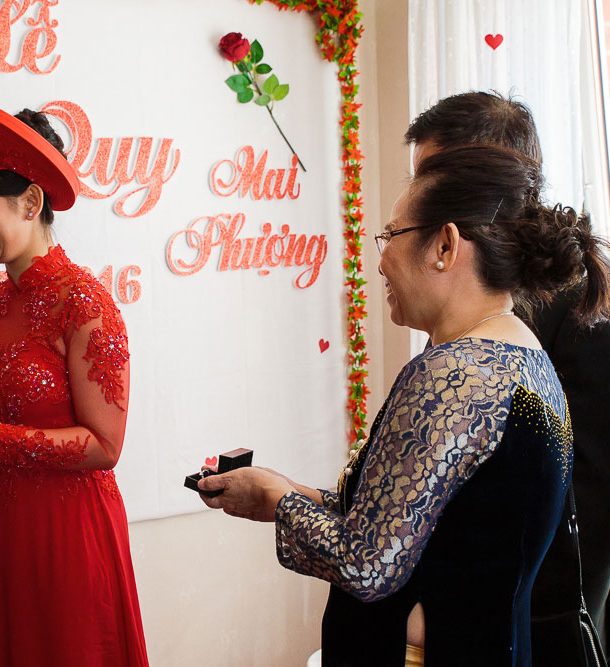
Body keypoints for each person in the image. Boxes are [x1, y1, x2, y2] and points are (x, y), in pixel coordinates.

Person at [199, 144, 610, 665]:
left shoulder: (455, 373)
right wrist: (280, 493)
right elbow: (420, 520)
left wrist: (281, 502)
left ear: (444, 245)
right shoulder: (521, 353)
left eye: (392, 235)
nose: (380, 259)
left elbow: (367, 566)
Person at [0, 95, 148, 666]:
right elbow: (1, 415)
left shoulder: (85, 302)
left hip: (66, 534)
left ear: (31, 202)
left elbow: (104, 446)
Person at [405, 91, 610, 650]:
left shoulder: (579, 299)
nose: (421, 197)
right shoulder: (465, 288)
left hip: (537, 624)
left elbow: (591, 492)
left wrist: (500, 605)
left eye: (435, 174)